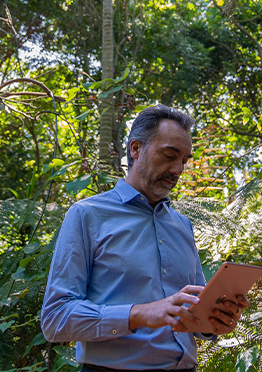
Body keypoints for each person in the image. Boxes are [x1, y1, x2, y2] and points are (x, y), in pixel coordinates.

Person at [41, 105, 249, 372]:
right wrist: (140, 313)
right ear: (135, 149)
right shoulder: (87, 215)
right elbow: (55, 319)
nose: (177, 169)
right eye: (170, 155)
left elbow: (195, 315)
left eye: (184, 160)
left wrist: (215, 320)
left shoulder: (182, 225)